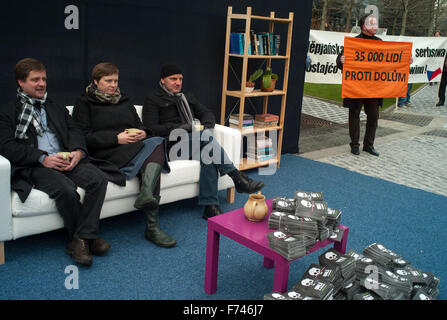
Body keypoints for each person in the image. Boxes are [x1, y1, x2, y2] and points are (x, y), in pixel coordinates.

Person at [0, 58, 110, 266]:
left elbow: (74, 129)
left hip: (66, 158)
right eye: (35, 79)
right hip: (35, 165)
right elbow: (6, 147)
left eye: (43, 79)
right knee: (66, 190)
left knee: (99, 179)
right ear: (21, 82)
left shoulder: (54, 105)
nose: (41, 83)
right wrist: (42, 158)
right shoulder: (7, 111)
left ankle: (80, 239)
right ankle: (88, 238)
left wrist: (78, 151)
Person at [72, 62, 176, 248]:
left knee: (155, 144)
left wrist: (142, 133)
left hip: (132, 147)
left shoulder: (124, 100)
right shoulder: (84, 103)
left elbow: (139, 124)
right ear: (96, 81)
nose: (113, 85)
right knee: (155, 149)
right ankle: (152, 225)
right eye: (108, 81)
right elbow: (83, 137)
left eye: (116, 81)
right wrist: (115, 138)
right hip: (106, 152)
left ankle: (149, 208)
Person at [142, 63, 265, 220]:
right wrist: (183, 127)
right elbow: (151, 128)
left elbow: (206, 113)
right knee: (205, 140)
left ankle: (210, 207)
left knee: (208, 154)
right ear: (162, 80)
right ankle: (237, 177)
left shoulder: (187, 96)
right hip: (171, 146)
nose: (178, 82)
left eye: (180, 79)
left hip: (195, 142)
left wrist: (206, 126)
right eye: (173, 79)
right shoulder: (153, 98)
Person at [336, 14, 383, 157]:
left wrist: (405, 61)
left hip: (373, 88)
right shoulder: (353, 42)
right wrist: (341, 60)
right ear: (364, 26)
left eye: (376, 24)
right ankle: (354, 144)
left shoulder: (380, 42)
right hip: (356, 87)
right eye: (372, 24)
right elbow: (341, 61)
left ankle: (369, 145)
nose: (375, 26)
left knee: (373, 116)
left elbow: (389, 62)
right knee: (354, 115)